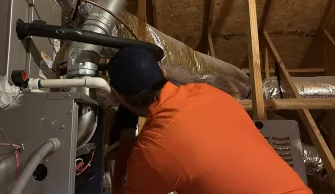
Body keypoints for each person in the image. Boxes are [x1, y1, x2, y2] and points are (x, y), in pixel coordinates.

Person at [107, 47, 312, 194]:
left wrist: (126, 137)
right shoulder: (206, 92)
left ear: (118, 96)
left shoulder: (155, 149)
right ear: (163, 72)